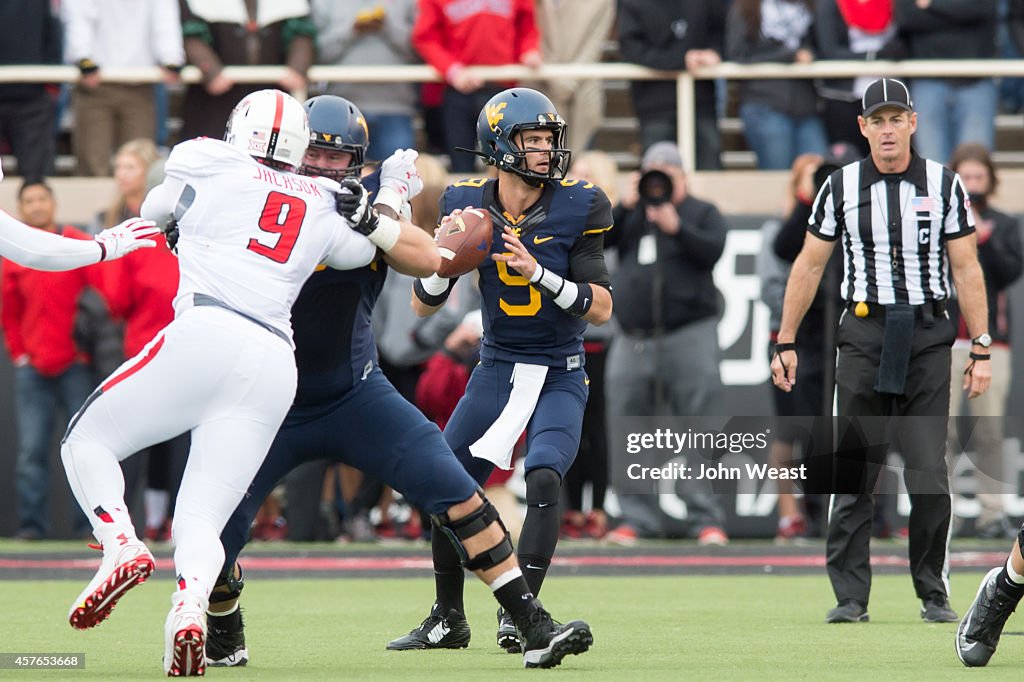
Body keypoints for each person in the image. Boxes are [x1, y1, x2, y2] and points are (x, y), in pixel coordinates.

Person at [205, 95, 594, 670]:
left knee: (458, 491)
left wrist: (383, 210)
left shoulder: (362, 210)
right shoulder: (245, 208)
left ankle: (531, 623)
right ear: (288, 152)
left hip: (356, 393)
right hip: (267, 400)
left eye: (343, 160)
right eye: (316, 153)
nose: (329, 170)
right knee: (213, 536)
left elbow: (427, 263)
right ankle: (222, 619)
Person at [57, 89, 385, 676]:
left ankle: (120, 543)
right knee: (201, 518)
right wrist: (395, 201)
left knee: (85, 442)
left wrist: (162, 224)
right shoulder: (321, 200)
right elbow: (362, 252)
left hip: (209, 329)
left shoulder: (207, 158)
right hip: (274, 363)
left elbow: (159, 206)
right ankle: (187, 609)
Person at [393, 86, 612, 655]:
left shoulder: (579, 202)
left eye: (548, 140)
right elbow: (422, 305)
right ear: (500, 146)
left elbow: (603, 306)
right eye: (532, 141)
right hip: (497, 365)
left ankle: (522, 617)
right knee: (443, 479)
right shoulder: (466, 200)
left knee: (542, 476)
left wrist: (538, 273)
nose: (545, 151)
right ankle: (447, 616)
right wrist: (446, 265)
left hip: (561, 369)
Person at [770, 78, 991, 625]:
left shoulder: (944, 183)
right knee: (853, 465)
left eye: (897, 119)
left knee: (927, 471)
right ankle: (850, 595)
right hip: (865, 332)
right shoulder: (839, 187)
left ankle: (932, 591)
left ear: (913, 123)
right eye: (878, 120)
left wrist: (980, 346)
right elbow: (809, 264)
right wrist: (785, 339)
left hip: (926, 333)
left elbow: (966, 267)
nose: (888, 129)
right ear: (863, 126)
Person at [603, 141, 730, 546]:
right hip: (632, 337)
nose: (658, 180)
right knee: (627, 426)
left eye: (667, 172)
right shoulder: (632, 214)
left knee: (701, 429)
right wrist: (624, 205)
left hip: (689, 333)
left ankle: (705, 519)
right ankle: (634, 518)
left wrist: (678, 226)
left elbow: (713, 250)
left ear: (683, 177)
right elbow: (600, 242)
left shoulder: (702, 211)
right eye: (650, 172)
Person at [2, 182, 105, 540]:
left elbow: (100, 292)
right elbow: (8, 309)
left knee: (83, 449)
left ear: (53, 202)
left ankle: (91, 528)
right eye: (28, 200)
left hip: (75, 362)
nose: (36, 206)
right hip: (34, 367)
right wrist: (20, 354)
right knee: (32, 452)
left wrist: (88, 346)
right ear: (21, 207)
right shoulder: (13, 248)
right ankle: (32, 528)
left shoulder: (74, 240)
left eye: (41, 198)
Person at [945, 143, 1023, 539]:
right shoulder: (937, 219)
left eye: (979, 177)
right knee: (943, 431)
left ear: (990, 180)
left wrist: (985, 239)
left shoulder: (1004, 224)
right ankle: (946, 514)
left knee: (990, 429)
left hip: (991, 342)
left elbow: (1011, 271)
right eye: (966, 178)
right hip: (944, 339)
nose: (973, 186)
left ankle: (994, 512)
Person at [412, 0, 542, 173]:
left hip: (503, 90)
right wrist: (452, 70)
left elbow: (527, 26)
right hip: (458, 90)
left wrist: (528, 50)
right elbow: (425, 37)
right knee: (461, 164)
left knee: (509, 163)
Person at [61, 0, 184, 176]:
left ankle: (139, 204)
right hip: (95, 86)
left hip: (140, 85)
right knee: (92, 162)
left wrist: (171, 58)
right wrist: (83, 58)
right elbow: (78, 18)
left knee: (141, 163)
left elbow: (165, 19)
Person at [617, 0, 727, 170]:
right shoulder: (633, 4)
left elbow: (722, 30)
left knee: (710, 169)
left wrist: (714, 52)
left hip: (701, 101)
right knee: (657, 177)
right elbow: (630, 48)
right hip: (655, 106)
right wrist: (680, 60)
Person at [725, 0, 829, 170]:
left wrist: (808, 55)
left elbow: (825, 47)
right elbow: (738, 54)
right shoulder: (747, 8)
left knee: (819, 174)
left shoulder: (810, 7)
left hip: (807, 107)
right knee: (777, 179)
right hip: (764, 105)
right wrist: (789, 56)